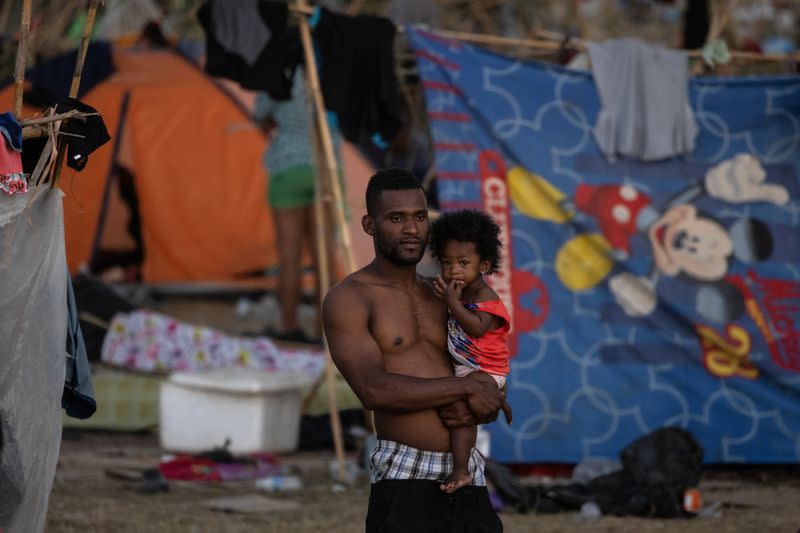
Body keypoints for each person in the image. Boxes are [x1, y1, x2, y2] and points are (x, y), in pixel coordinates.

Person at [322, 168, 510, 533]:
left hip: (465, 466)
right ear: (369, 224)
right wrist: (467, 389)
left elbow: (485, 373)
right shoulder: (350, 298)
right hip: (404, 470)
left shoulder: (448, 296)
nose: (412, 229)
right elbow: (373, 389)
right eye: (396, 218)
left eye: (420, 217)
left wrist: (488, 395)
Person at [254, 70, 340, 343]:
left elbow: (261, 115)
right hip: (322, 167)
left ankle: (288, 326)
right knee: (323, 258)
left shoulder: (279, 73)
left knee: (288, 257)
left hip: (286, 168)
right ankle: (324, 332)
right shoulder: (326, 70)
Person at [428, 209, 510, 493]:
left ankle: (462, 471)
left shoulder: (486, 296)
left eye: (464, 263)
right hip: (467, 370)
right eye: (447, 262)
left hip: (487, 371)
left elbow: (476, 328)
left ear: (484, 266)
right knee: (453, 406)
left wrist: (451, 302)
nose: (453, 270)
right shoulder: (456, 292)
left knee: (461, 414)